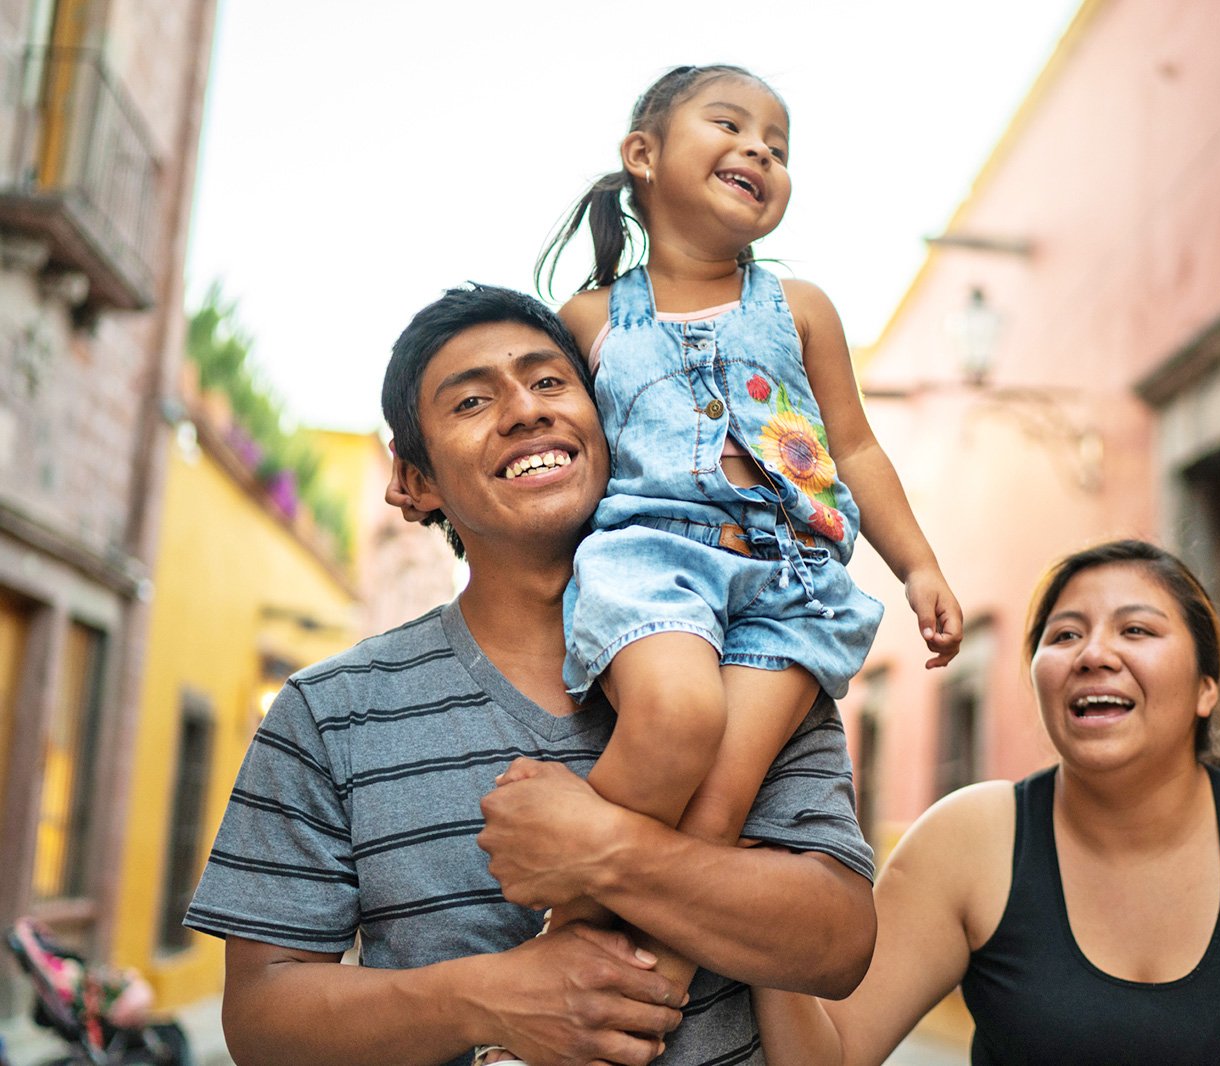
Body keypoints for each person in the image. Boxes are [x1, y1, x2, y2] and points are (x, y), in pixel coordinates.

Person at [183, 283, 877, 1066]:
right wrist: (489, 999)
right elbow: (263, 1020)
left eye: (550, 382)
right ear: (414, 482)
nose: (525, 410)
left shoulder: (752, 667)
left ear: (612, 418)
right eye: (472, 401)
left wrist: (606, 849)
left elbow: (838, 943)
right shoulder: (330, 713)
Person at [504, 60, 961, 1027]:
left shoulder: (801, 309)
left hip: (794, 579)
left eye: (780, 147)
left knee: (717, 806)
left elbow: (858, 448)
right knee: (673, 720)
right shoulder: (588, 320)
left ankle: (637, 998)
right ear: (643, 156)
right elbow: (554, 447)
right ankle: (550, 960)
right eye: (731, 125)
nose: (760, 150)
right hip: (652, 559)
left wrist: (918, 563)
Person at [754, 539, 1220, 1064]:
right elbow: (828, 1055)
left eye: (1136, 629)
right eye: (1064, 635)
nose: (1094, 655)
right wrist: (759, 914)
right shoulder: (971, 837)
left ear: (1205, 689)